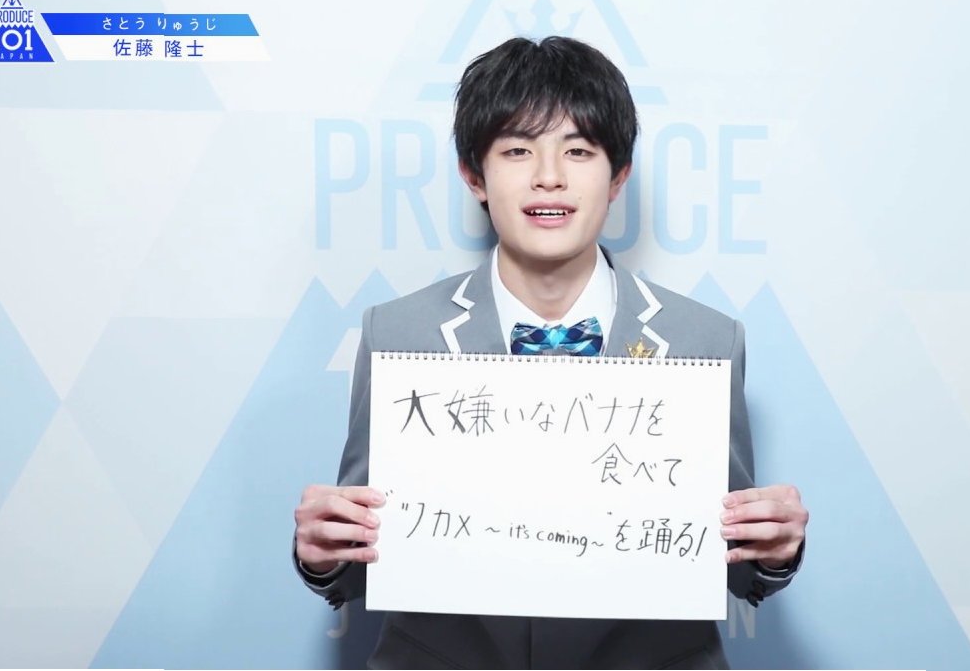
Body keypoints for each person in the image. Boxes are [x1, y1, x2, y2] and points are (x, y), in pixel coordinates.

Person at [293, 36, 808, 669]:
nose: (549, 176)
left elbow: (734, 569)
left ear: (618, 176)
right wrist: (322, 554)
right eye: (517, 150)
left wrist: (775, 550)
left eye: (578, 150)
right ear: (474, 176)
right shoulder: (398, 333)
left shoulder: (705, 340)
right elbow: (359, 567)